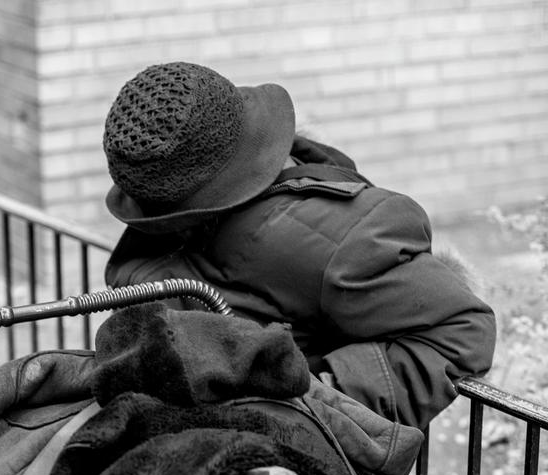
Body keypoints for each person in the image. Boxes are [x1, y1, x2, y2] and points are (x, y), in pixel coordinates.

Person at [102, 60, 497, 431]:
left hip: (287, 472)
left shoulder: (346, 237)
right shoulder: (168, 184)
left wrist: (315, 400)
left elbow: (461, 329)